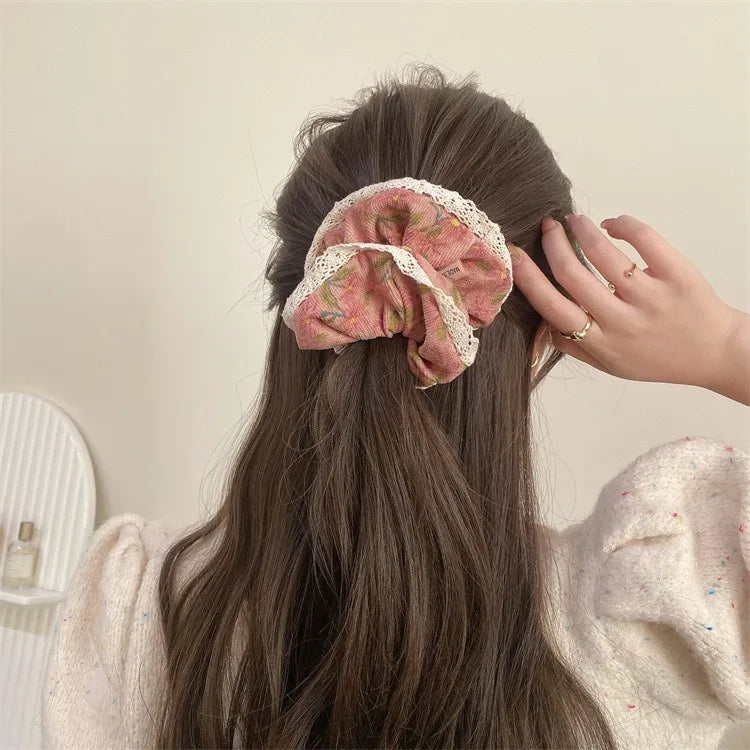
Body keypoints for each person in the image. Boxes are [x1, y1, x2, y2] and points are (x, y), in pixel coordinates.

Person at [41, 65, 749, 750]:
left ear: (299, 303)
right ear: (545, 339)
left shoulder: (139, 602)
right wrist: (724, 346)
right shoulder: (659, 601)